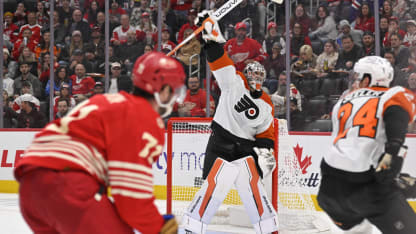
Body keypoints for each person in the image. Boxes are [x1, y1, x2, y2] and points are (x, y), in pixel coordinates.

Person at [14, 51, 186, 234]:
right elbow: (130, 196)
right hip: (67, 185)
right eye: (174, 91)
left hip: (30, 189)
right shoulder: (145, 118)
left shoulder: (105, 100)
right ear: (164, 91)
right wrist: (157, 226)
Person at [182, 11, 278, 234]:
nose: (255, 79)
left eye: (259, 77)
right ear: (246, 74)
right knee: (210, 187)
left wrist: (263, 159)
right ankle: (193, 228)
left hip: (243, 149)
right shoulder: (233, 81)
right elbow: (217, 56)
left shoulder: (266, 103)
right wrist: (209, 34)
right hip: (220, 142)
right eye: (252, 75)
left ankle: (268, 229)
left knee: (254, 193)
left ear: (263, 80)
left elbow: (266, 136)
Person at [318, 56, 416, 234]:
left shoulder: (343, 101)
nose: (355, 80)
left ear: (369, 78)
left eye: (358, 76)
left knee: (359, 227)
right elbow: (396, 128)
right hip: (365, 185)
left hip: (329, 191)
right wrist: (392, 154)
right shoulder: (392, 94)